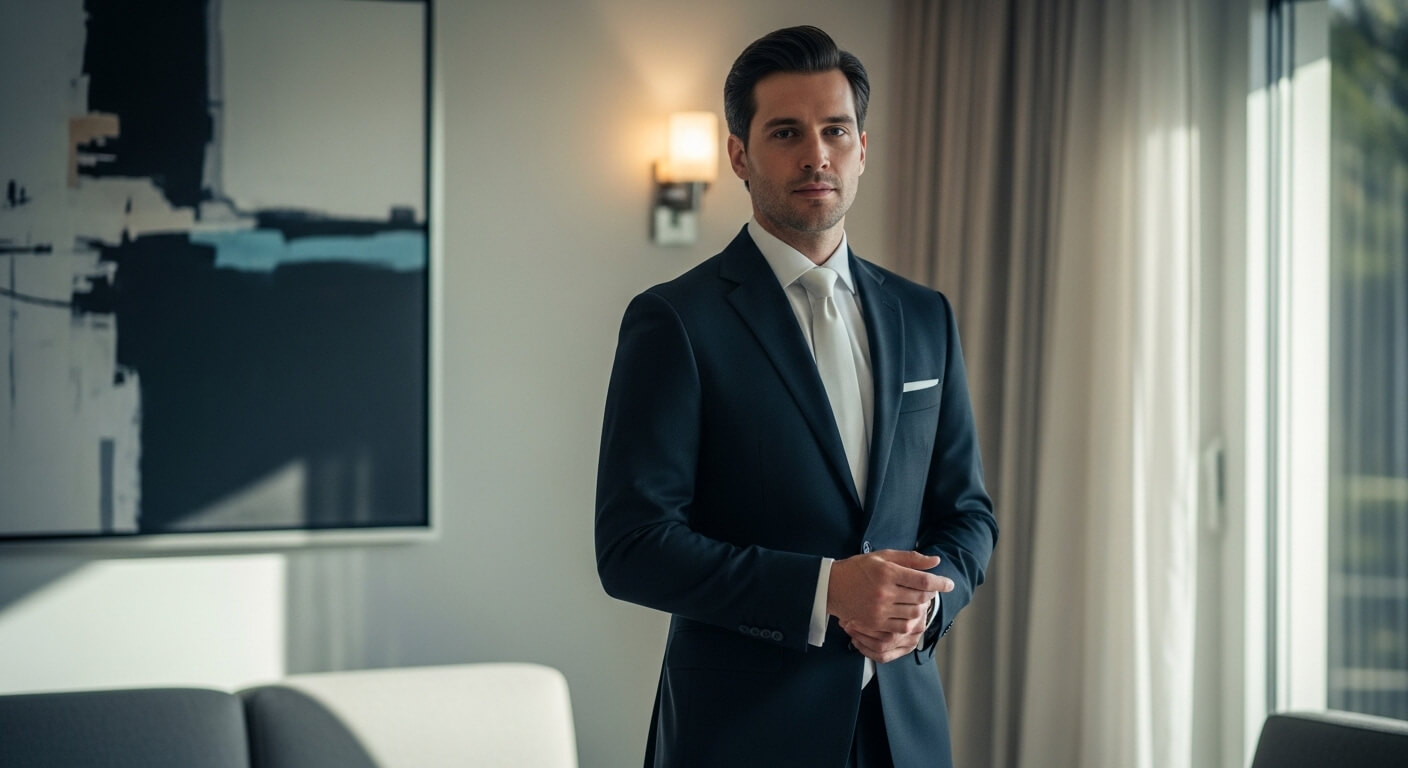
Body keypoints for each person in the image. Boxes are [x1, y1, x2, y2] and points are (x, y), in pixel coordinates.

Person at [595, 25, 997, 768]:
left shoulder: (924, 315)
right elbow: (632, 547)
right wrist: (824, 590)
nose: (817, 154)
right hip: (740, 735)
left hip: (903, 731)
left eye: (835, 131)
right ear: (740, 155)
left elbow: (966, 512)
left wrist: (926, 605)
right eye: (786, 132)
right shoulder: (676, 321)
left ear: (862, 149)